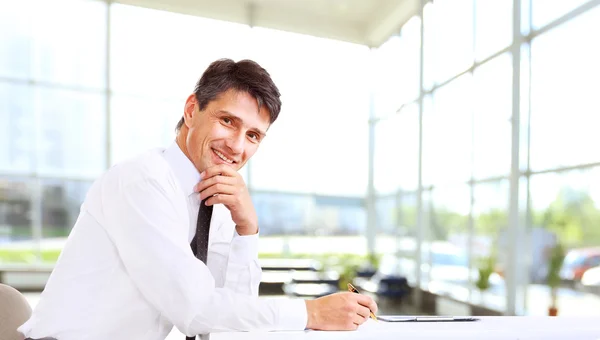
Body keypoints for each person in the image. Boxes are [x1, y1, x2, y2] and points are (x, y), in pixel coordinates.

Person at [18, 58, 377, 340]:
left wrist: (247, 227)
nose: (237, 146)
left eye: (253, 135)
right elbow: (194, 310)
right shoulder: (143, 181)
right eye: (227, 121)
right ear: (192, 110)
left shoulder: (214, 199)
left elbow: (230, 319)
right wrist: (310, 313)